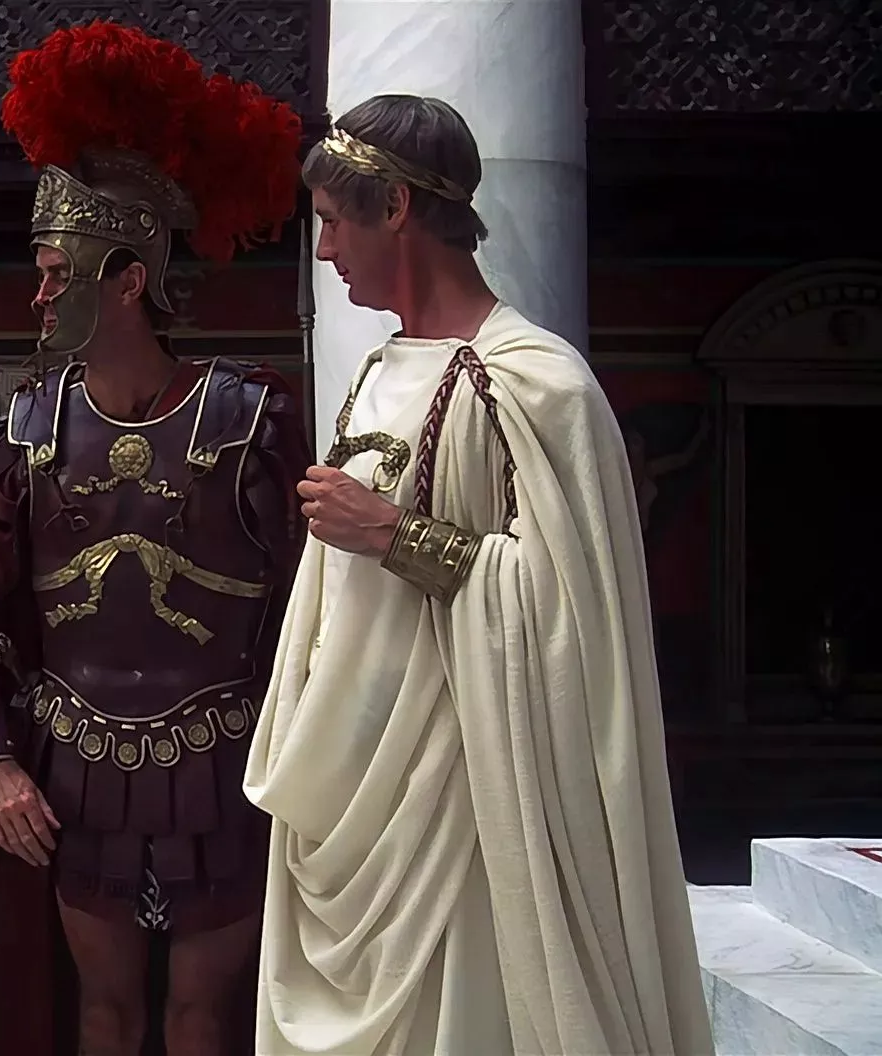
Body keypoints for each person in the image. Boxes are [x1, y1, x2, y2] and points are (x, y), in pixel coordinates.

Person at [243, 94, 715, 1055]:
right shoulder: (376, 370)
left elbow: (575, 617)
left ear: (395, 208)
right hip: (354, 782)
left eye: (332, 222)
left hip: (472, 791)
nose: (324, 251)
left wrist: (394, 534)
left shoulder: (539, 382)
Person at [0, 23, 307, 1056]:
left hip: (223, 768)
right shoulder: (32, 425)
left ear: (128, 280)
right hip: (76, 772)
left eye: (56, 273)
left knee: (202, 1022)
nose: (37, 293)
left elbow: (315, 616)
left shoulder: (250, 419)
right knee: (98, 1017)